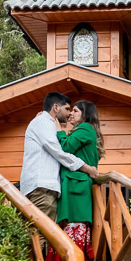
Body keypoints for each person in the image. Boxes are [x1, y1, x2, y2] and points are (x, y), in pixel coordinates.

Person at [21, 91, 98, 233]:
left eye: (74, 110)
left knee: (43, 234)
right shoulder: (43, 122)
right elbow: (60, 152)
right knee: (44, 235)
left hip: (46, 188)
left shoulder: (45, 123)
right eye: (68, 109)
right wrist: (86, 167)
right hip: (42, 187)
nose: (69, 114)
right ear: (56, 108)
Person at [45, 100, 104, 261]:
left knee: (75, 227)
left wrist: (58, 129)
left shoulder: (85, 128)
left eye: (76, 111)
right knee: (71, 228)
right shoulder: (83, 130)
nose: (71, 114)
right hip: (73, 185)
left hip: (77, 186)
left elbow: (65, 148)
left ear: (86, 115)